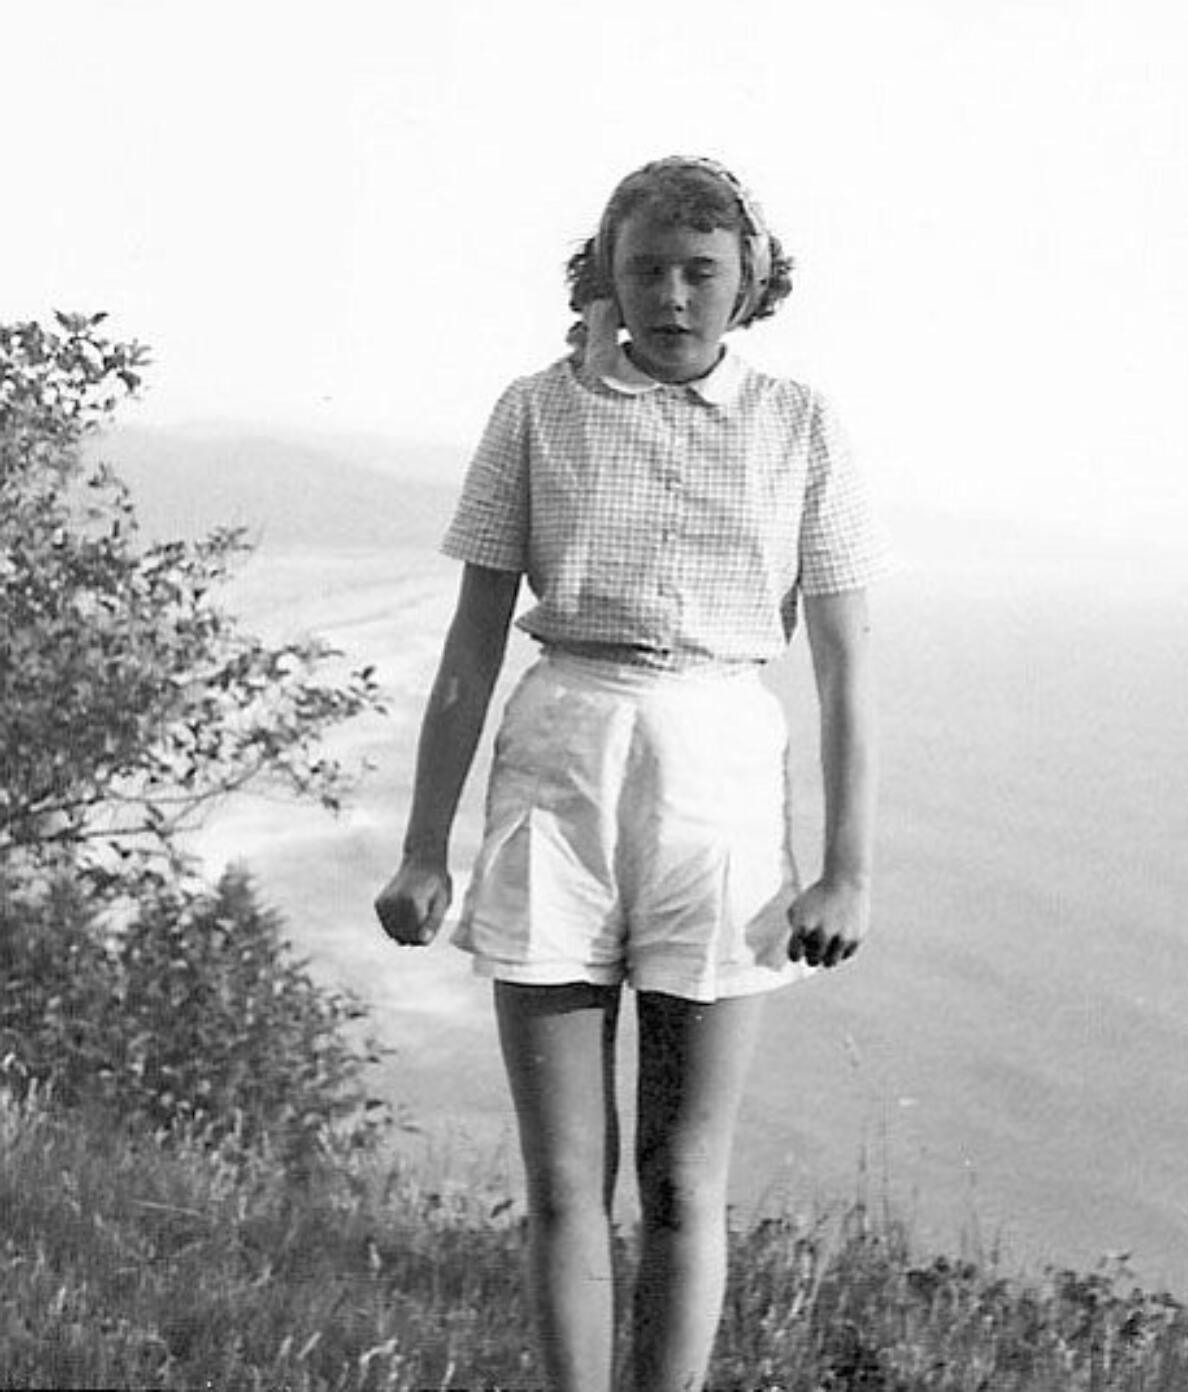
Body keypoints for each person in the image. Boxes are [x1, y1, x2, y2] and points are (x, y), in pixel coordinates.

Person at [375, 155, 891, 1392]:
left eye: (699, 273)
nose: (670, 297)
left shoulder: (800, 423)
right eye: (644, 269)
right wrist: (419, 848)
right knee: (563, 1181)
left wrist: (847, 872)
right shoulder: (535, 411)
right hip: (561, 767)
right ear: (603, 275)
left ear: (747, 282)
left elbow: (844, 668)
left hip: (716, 778)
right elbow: (466, 647)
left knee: (679, 1178)